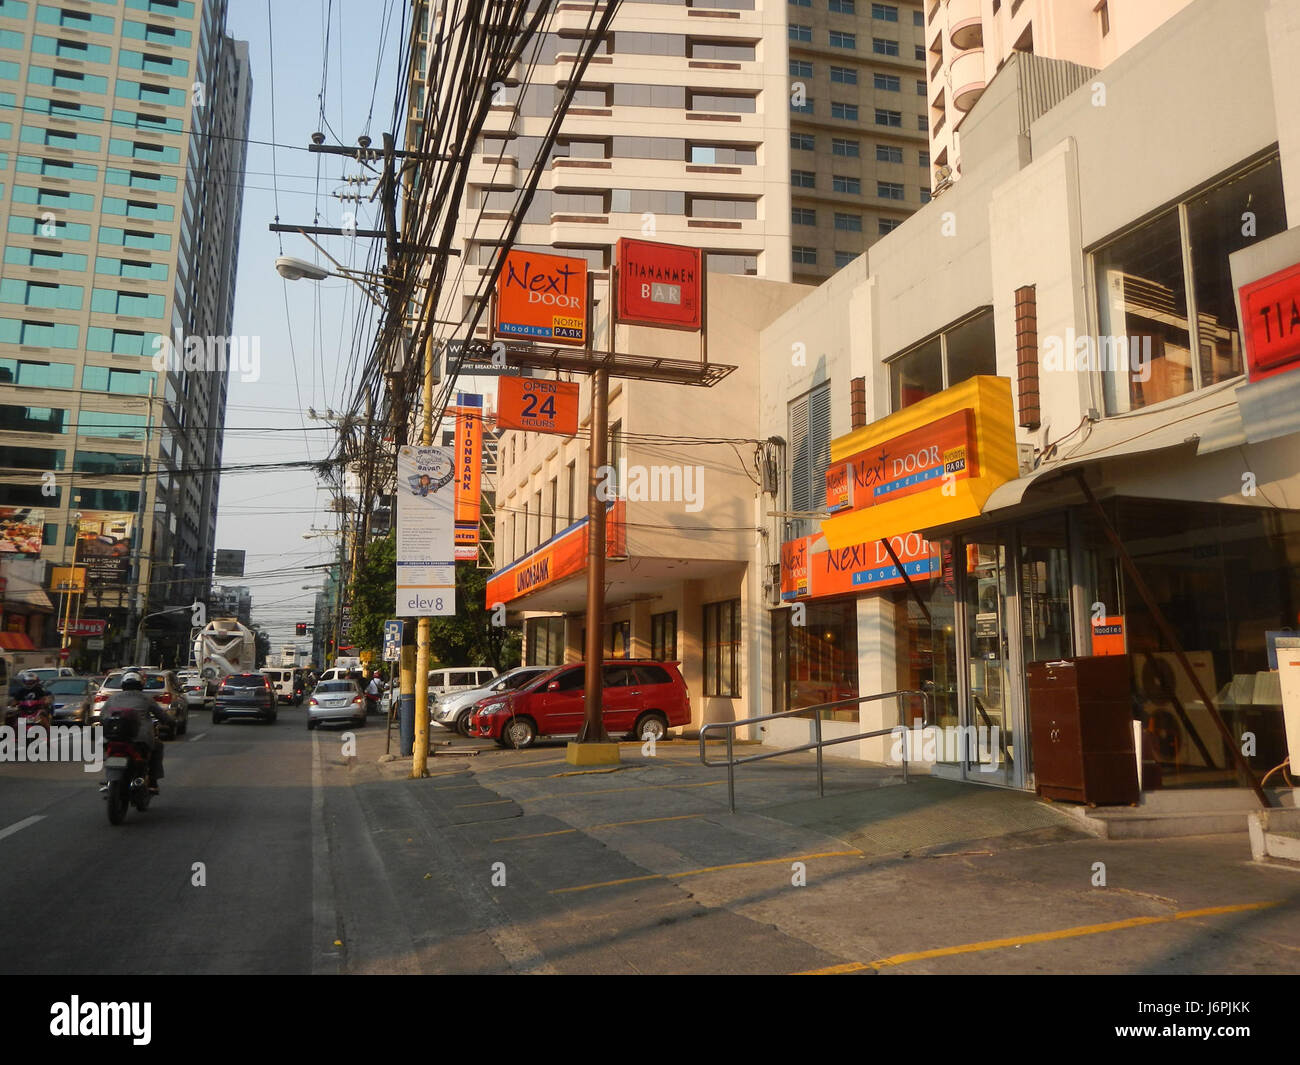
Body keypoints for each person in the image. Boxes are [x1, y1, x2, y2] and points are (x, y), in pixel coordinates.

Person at [99, 671, 165, 794]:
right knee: (158, 746)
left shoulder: (112, 698)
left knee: (108, 752)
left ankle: (109, 779)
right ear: (140, 685)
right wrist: (170, 722)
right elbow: (162, 715)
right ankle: (153, 781)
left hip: (113, 737)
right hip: (140, 739)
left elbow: (102, 717)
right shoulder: (146, 698)